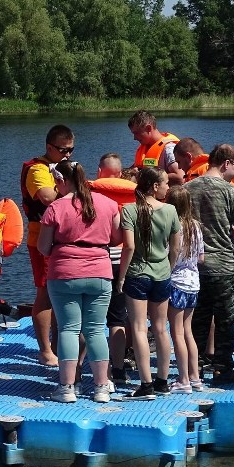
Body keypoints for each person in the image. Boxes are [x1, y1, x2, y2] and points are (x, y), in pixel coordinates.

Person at [38, 160, 122, 403]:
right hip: (100, 272)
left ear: (63, 181)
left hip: (64, 274)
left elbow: (44, 248)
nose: (56, 187)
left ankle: (66, 388)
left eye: (57, 183)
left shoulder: (55, 208)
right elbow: (116, 239)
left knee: (69, 329)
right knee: (96, 329)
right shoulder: (108, 204)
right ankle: (101, 387)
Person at [186, 144, 234, 385]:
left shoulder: (187, 189)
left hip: (194, 267)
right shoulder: (230, 191)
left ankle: (194, 368)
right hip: (223, 267)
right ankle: (223, 369)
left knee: (197, 320)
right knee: (225, 321)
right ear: (226, 163)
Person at [117, 167, 181, 400]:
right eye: (165, 182)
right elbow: (174, 248)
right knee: (162, 328)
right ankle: (162, 381)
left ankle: (146, 385)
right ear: (154, 186)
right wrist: (169, 268)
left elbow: (129, 247)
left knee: (139, 329)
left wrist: (121, 276)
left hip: (137, 274)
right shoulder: (171, 210)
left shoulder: (130, 210)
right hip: (162, 274)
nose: (168, 186)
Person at [20, 124, 75, 367]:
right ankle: (44, 350)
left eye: (71, 150)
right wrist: (74, 189)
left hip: (63, 238)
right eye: (63, 150)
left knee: (59, 293)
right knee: (45, 292)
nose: (68, 155)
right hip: (42, 237)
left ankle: (55, 345)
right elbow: (47, 197)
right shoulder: (37, 169)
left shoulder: (65, 167)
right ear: (49, 147)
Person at [90, 153, 136, 386]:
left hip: (98, 260)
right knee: (118, 319)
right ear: (120, 174)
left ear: (99, 172)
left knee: (93, 320)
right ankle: (118, 368)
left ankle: (88, 371)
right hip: (125, 261)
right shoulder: (134, 196)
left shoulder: (90, 196)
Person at [165, 186, 205, 394]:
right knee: (188, 331)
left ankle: (182, 380)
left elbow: (171, 256)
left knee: (177, 332)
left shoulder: (173, 226)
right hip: (193, 282)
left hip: (177, 282)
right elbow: (201, 258)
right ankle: (195, 377)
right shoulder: (196, 226)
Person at [128, 110, 183, 186]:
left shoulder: (169, 149)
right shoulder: (145, 147)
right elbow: (136, 168)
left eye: (136, 133)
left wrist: (145, 176)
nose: (134, 138)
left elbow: (180, 177)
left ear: (148, 128)